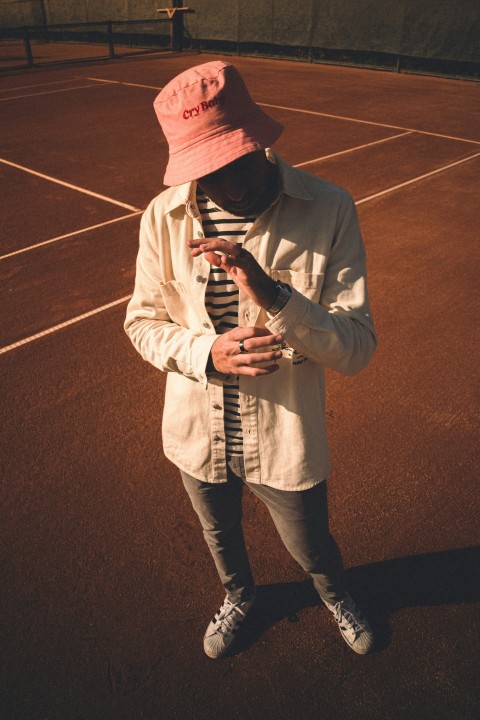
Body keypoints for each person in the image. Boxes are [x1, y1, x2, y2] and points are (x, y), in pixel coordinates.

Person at [125, 60, 377, 659]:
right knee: (220, 535)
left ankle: (334, 592)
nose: (223, 179)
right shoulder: (162, 217)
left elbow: (357, 348)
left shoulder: (329, 208)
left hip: (286, 437)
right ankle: (240, 595)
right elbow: (141, 323)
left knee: (312, 542)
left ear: (257, 138)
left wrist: (276, 297)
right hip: (197, 433)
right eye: (204, 167)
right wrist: (206, 352)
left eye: (232, 156)